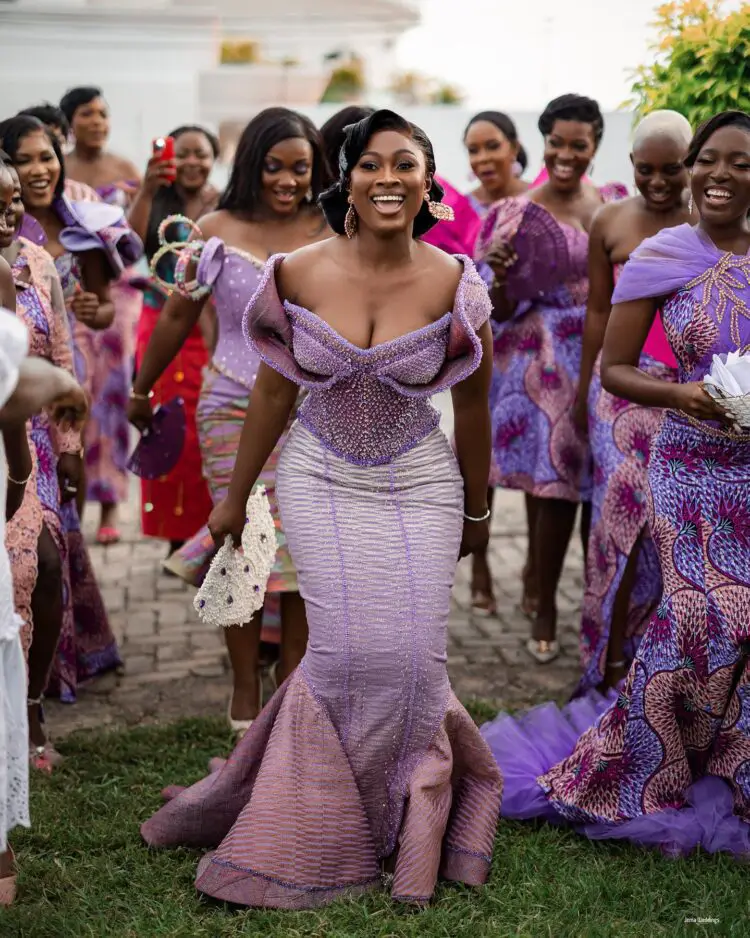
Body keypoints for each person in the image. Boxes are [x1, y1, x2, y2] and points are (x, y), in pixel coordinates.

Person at [140, 109, 502, 907]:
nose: (388, 178)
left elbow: (472, 411)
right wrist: (232, 501)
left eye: (405, 164)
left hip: (420, 480)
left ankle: (412, 824)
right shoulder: (297, 271)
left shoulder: (455, 282)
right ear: (351, 179)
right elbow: (273, 388)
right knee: (339, 657)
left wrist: (478, 512)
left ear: (427, 182)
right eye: (372, 164)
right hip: (320, 476)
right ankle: (319, 822)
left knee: (413, 661)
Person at [482, 110, 750, 856]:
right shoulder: (664, 253)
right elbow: (616, 368)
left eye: (743, 163)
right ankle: (638, 769)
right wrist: (682, 396)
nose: (722, 175)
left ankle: (737, 770)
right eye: (711, 160)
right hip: (692, 464)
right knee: (702, 613)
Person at [129, 108, 330, 734]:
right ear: (252, 166)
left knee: (304, 551)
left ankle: (291, 678)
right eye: (275, 167)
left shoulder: (334, 229)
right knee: (244, 543)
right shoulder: (212, 230)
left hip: (314, 416)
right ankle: (245, 689)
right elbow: (175, 317)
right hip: (231, 406)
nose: (288, 180)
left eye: (301, 168)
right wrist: (141, 388)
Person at [0, 115, 138, 702]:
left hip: (63, 383)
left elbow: (104, 307)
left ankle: (46, 683)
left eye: (46, 157)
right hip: (23, 387)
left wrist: (90, 309)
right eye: (24, 160)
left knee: (53, 552)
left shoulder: (80, 221)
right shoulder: (13, 223)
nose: (38, 170)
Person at [486, 94, 627, 661]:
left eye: (579, 144)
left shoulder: (617, 201)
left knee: (605, 484)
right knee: (553, 491)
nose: (567, 154)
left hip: (609, 354)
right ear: (541, 142)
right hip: (544, 363)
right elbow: (490, 309)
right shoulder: (515, 211)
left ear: (595, 145)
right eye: (557, 142)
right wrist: (494, 275)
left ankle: (599, 608)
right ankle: (543, 604)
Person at [573, 110, 694, 694]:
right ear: (632, 166)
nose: (660, 182)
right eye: (647, 169)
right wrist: (583, 389)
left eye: (673, 169)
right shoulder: (611, 221)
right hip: (618, 392)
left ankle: (658, 661)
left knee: (671, 525)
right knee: (619, 518)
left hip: (690, 391)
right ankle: (607, 657)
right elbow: (599, 312)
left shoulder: (712, 226)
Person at [0, 286, 89, 906]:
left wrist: (24, 465)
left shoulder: (16, 268)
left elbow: (22, 378)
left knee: (44, 573)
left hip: (23, 460)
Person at [0, 153, 90, 763]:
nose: (8, 212)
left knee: (47, 570)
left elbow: (61, 354)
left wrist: (69, 446)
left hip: (29, 440)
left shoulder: (36, 263)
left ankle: (29, 711)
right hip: (6, 447)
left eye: (12, 200)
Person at [127, 125, 219, 555]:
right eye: (183, 154)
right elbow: (127, 248)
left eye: (201, 154)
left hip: (209, 328)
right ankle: (174, 532)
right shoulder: (156, 199)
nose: (193, 162)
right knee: (165, 427)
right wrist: (147, 189)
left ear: (214, 158)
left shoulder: (224, 203)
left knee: (208, 425)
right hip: (158, 324)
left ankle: (209, 527)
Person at [60, 86, 143, 542]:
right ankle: (70, 499)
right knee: (73, 390)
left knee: (112, 393)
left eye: (103, 113)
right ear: (69, 120)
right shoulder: (58, 170)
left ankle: (110, 504)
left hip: (119, 293)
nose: (98, 121)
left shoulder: (125, 169)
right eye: (87, 113)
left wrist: (148, 188)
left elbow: (140, 233)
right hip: (70, 291)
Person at [458, 111, 530, 618]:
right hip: (479, 351)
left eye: (492, 146)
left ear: (514, 147)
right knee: (478, 461)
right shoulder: (457, 211)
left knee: (529, 462)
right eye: (474, 150)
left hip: (530, 348)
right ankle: (480, 565)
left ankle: (532, 573)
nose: (483, 159)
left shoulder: (536, 203)